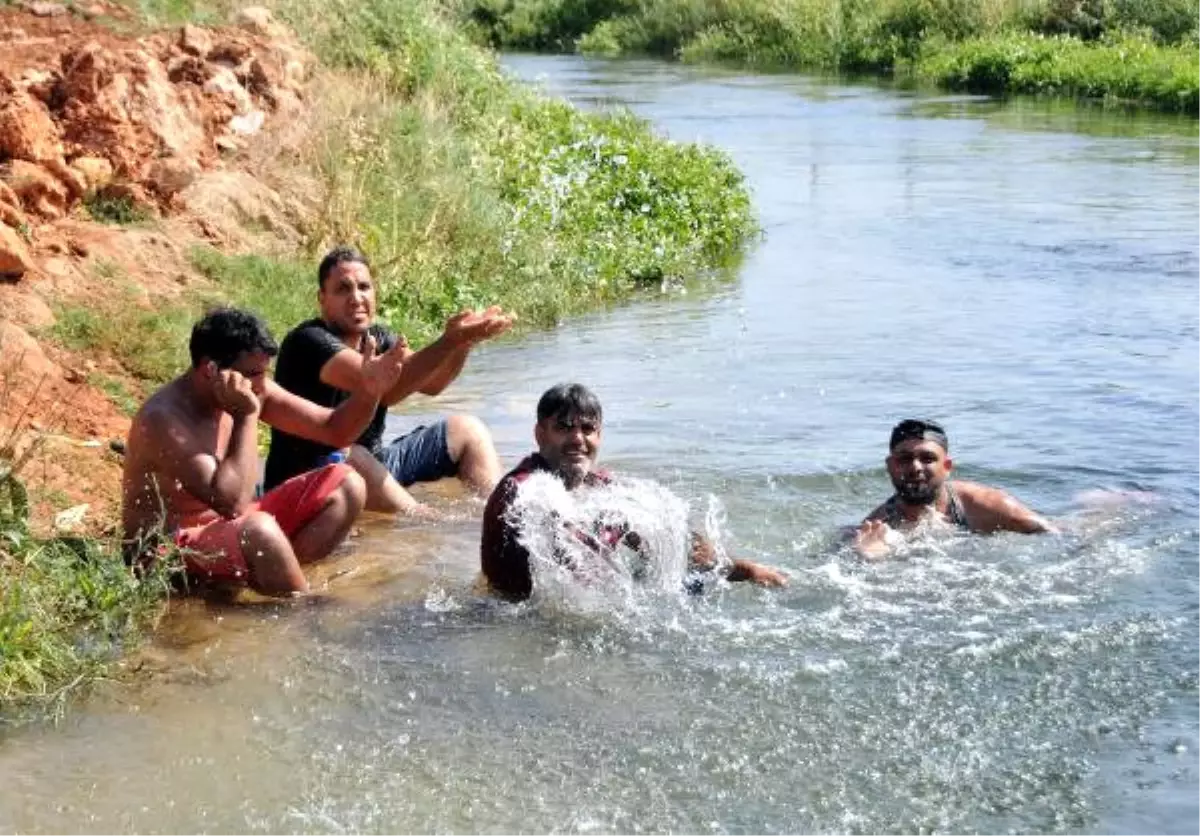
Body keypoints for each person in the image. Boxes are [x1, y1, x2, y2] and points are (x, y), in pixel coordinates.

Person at [122, 307, 409, 596]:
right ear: (210, 370)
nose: (260, 385)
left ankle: (284, 577)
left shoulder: (248, 387)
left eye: (264, 373)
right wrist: (247, 415)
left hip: (231, 528)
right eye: (252, 374)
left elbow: (335, 429)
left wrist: (370, 392)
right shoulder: (164, 419)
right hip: (166, 547)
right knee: (259, 530)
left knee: (349, 483)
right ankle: (305, 610)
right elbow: (231, 503)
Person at [264, 246, 514, 516]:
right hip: (314, 474)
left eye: (364, 287)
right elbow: (385, 389)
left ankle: (499, 516)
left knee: (467, 430)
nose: (356, 298)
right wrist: (447, 341)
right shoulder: (309, 341)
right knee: (352, 455)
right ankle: (427, 520)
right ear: (321, 299)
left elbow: (434, 383)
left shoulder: (379, 338)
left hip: (375, 463)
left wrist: (463, 344)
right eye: (342, 289)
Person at [481, 383, 788, 601]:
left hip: (590, 605)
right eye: (564, 427)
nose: (578, 439)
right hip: (517, 617)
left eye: (588, 429)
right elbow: (567, 568)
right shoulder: (523, 491)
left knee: (693, 587)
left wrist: (745, 570)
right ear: (539, 434)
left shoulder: (600, 487)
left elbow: (673, 544)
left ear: (599, 436)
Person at [853, 418, 1055, 561]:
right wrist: (868, 559)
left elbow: (1055, 534)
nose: (915, 467)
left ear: (947, 467)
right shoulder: (877, 527)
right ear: (890, 466)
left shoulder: (985, 505)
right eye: (905, 459)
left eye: (928, 459)